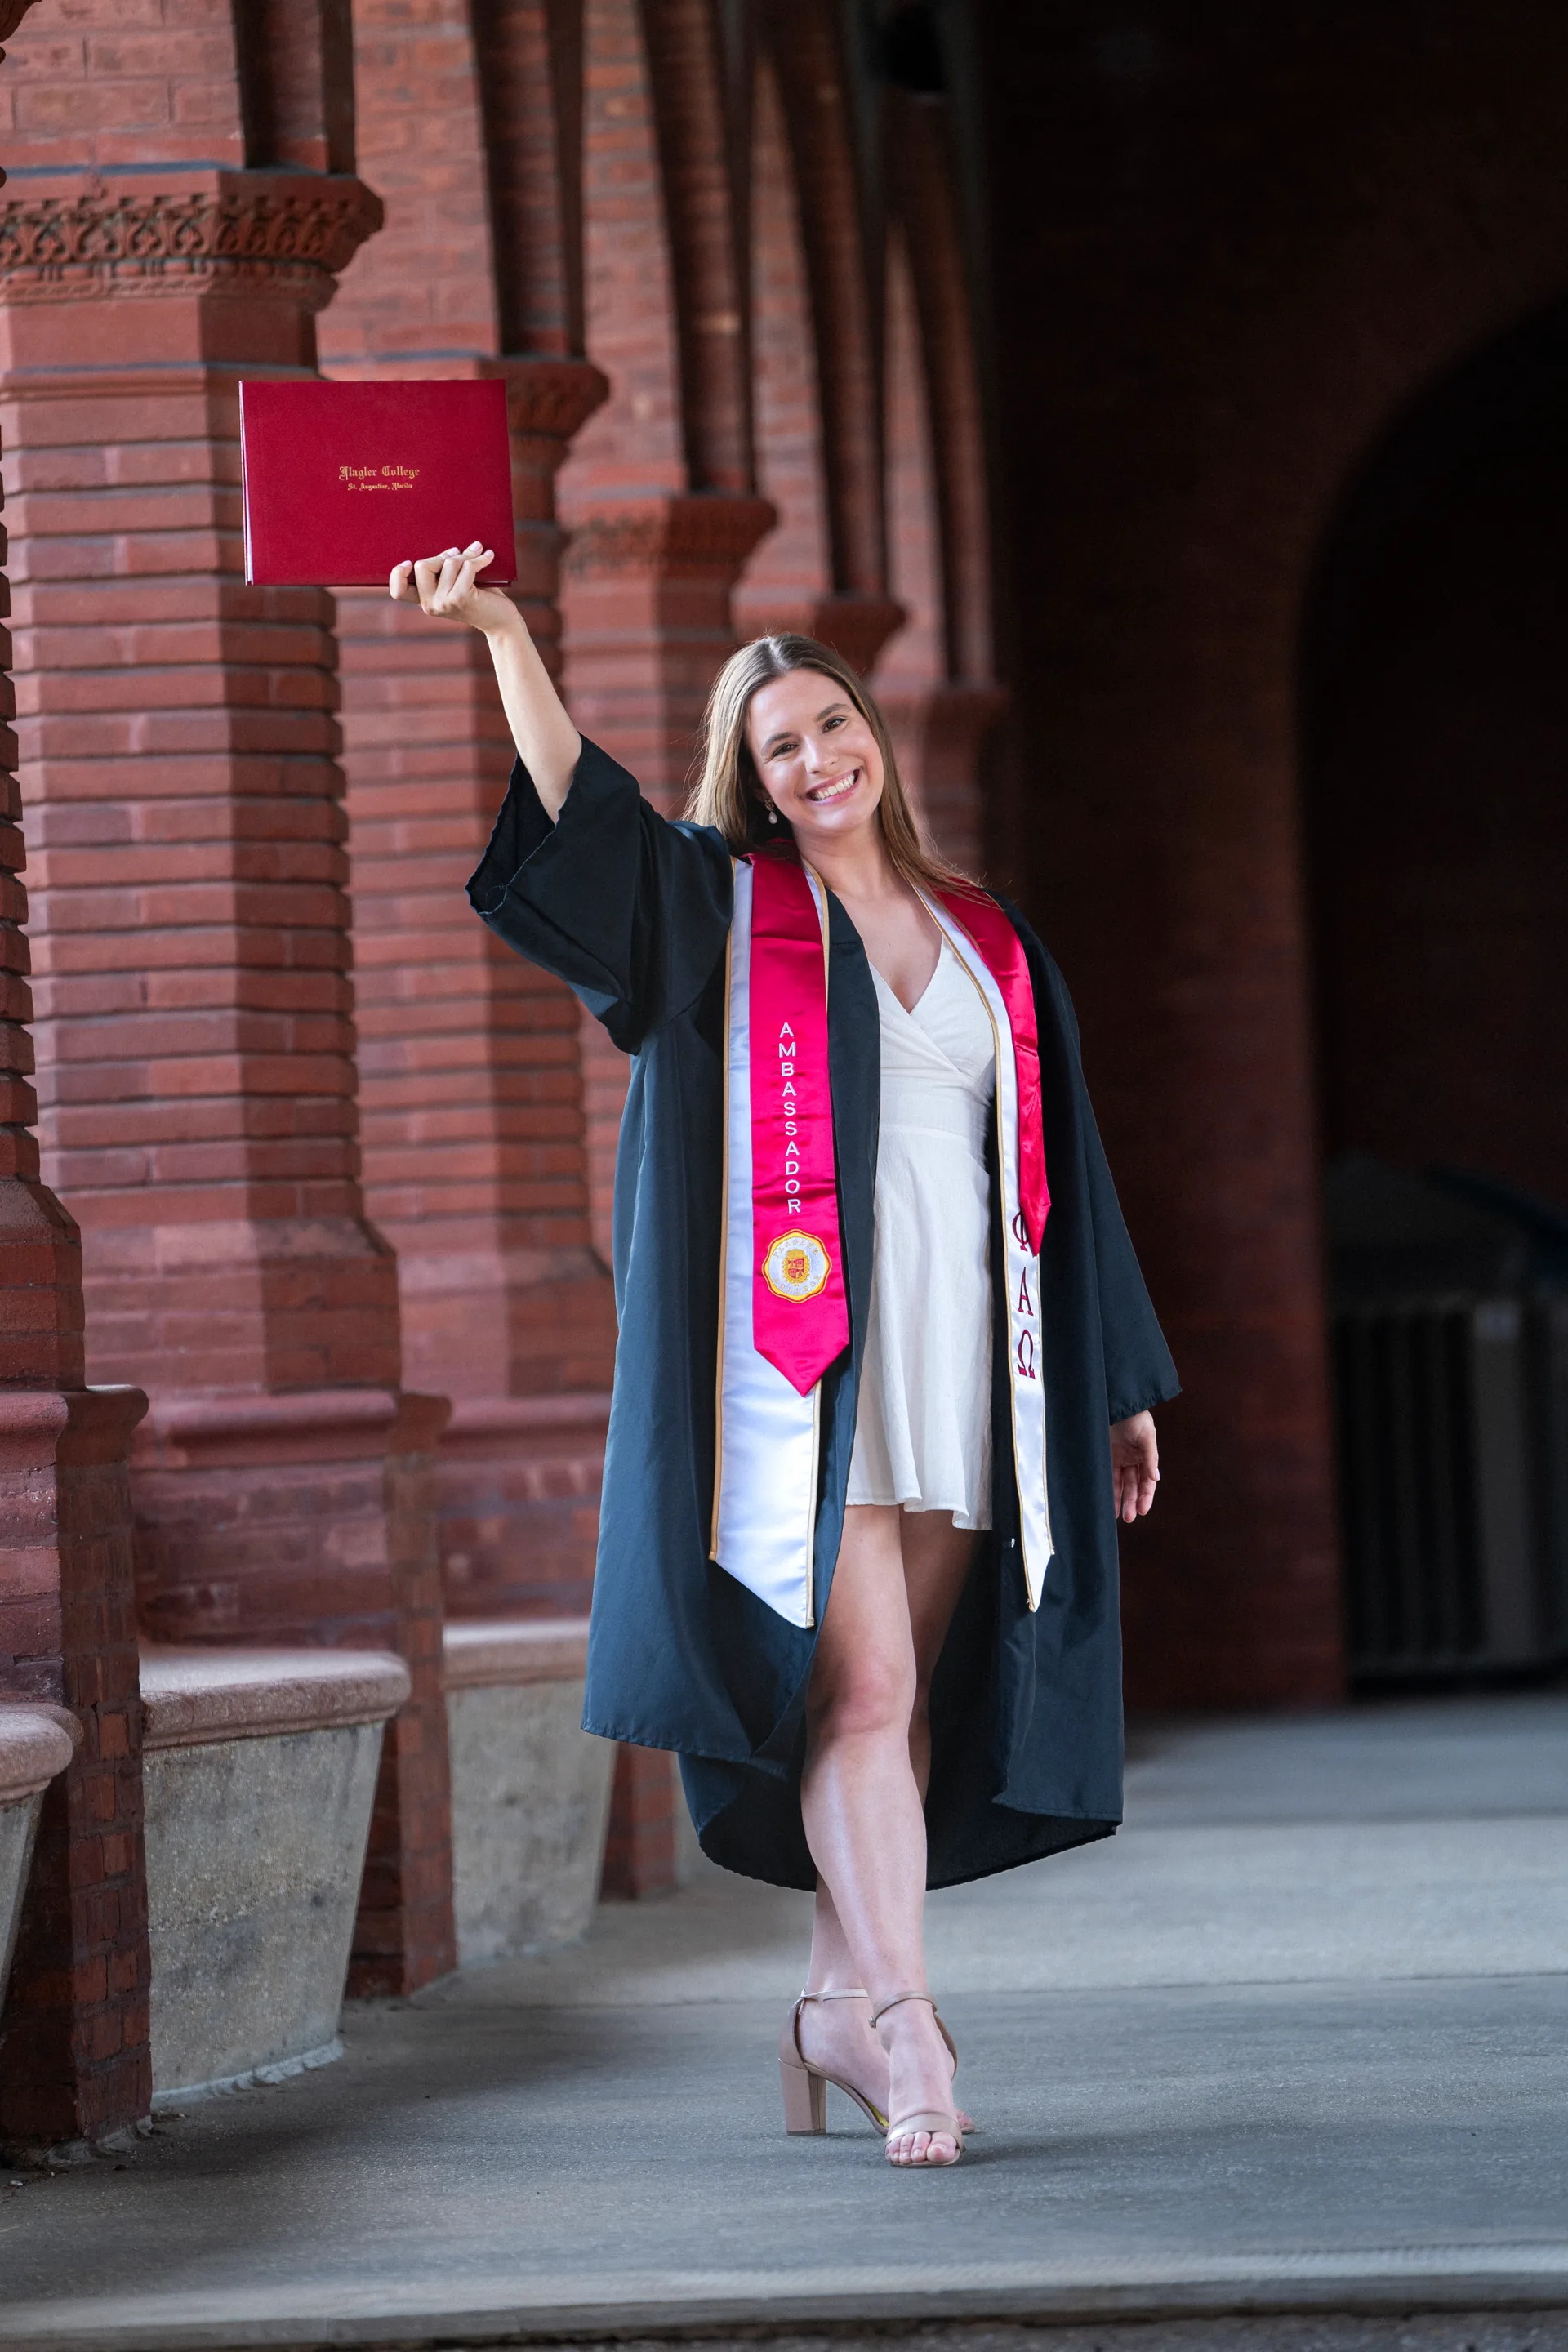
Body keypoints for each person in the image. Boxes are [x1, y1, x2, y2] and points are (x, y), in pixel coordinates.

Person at [393, 542, 1178, 2170]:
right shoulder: (726, 916)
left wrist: (1115, 1378)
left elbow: (1058, 1170)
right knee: (866, 1686)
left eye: (833, 726)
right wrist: (502, 635)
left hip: (977, 1369)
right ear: (747, 781)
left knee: (904, 1707)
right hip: (802, 1381)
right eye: (779, 747)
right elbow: (587, 819)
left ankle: (832, 1998)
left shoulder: (990, 940)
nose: (816, 761)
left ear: (875, 737)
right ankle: (907, 2029)